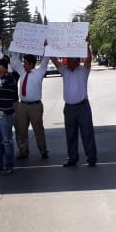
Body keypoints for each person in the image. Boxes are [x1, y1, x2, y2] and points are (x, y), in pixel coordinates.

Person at [49, 38, 97, 168]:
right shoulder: (65, 71)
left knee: (87, 133)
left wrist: (87, 45)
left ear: (76, 61)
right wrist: (48, 47)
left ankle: (91, 158)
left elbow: (88, 59)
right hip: (69, 108)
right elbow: (54, 60)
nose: (67, 63)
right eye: (67, 61)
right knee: (70, 134)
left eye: (70, 60)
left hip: (82, 106)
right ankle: (72, 158)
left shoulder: (83, 70)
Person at [15, 54, 48, 160]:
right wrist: (15, 46)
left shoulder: (39, 72)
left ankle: (43, 151)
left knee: (38, 130)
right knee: (22, 130)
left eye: (25, 62)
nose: (23, 64)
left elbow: (45, 61)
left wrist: (47, 47)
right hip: (23, 105)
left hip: (35, 106)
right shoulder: (22, 72)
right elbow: (14, 61)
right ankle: (23, 151)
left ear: (31, 64)